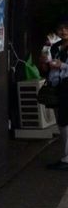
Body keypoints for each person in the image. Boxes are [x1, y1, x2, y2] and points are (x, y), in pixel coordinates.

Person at [44, 20, 68, 170]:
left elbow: (61, 66)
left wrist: (62, 65)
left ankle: (66, 159)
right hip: (57, 86)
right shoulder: (55, 47)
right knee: (61, 121)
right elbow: (46, 64)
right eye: (61, 28)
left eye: (67, 28)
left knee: (65, 121)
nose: (64, 31)